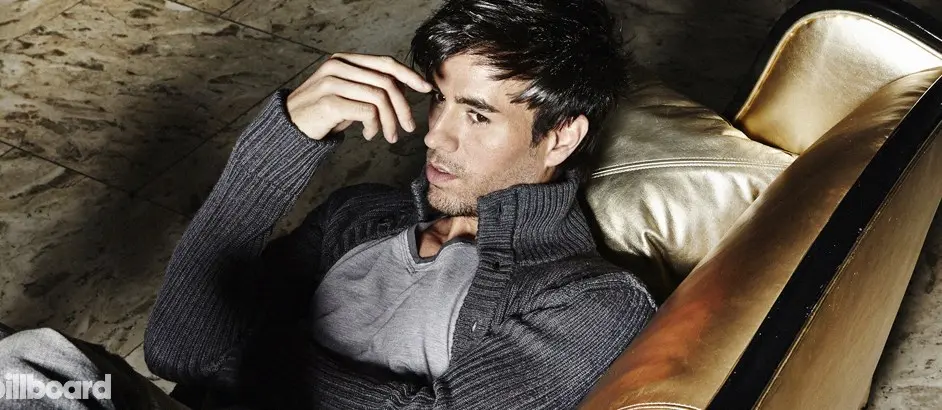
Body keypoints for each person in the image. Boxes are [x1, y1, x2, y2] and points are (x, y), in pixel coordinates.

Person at [0, 0, 655, 408]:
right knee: (25, 364)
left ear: (561, 135)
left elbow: (212, 355)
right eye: (439, 100)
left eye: (477, 115)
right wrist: (281, 144)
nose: (436, 136)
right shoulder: (360, 216)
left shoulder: (591, 301)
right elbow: (177, 349)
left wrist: (243, 354)